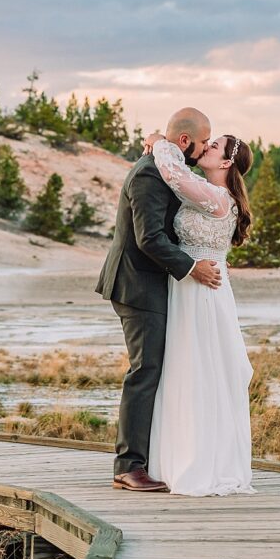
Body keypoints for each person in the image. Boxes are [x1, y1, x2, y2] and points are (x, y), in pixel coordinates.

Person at [95, 107, 222, 492]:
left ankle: (146, 459)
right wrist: (191, 268)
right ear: (184, 142)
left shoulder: (166, 166)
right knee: (145, 370)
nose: (201, 154)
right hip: (137, 284)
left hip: (149, 283)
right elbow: (149, 237)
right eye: (200, 145)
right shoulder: (151, 173)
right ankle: (128, 465)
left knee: (152, 369)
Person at [145, 130, 255, 496]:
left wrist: (160, 141)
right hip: (188, 286)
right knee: (183, 370)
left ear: (225, 163)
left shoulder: (219, 198)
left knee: (201, 371)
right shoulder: (206, 190)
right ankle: (175, 460)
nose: (205, 147)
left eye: (214, 146)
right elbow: (177, 179)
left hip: (203, 291)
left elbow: (174, 174)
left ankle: (202, 463)